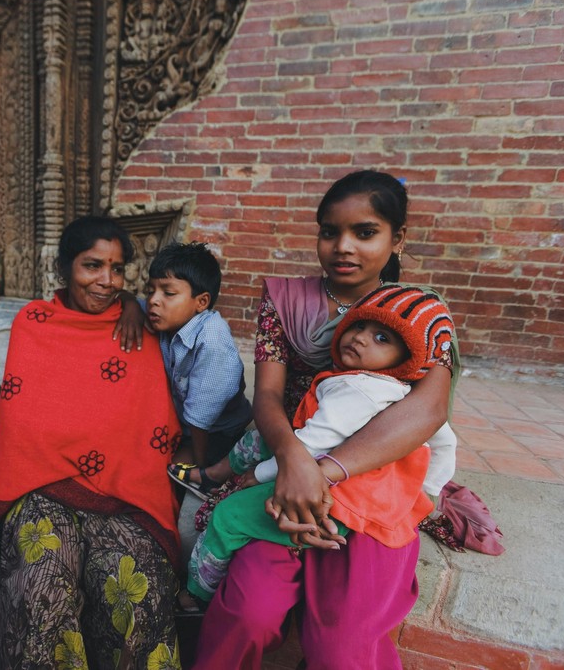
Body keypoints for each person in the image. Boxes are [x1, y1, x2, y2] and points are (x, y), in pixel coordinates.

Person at [192, 170, 460, 670]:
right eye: (329, 231)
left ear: (397, 238)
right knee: (251, 612)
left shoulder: (418, 315)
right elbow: (267, 396)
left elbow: (427, 411)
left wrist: (324, 476)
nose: (343, 246)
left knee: (342, 651)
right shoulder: (285, 301)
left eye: (365, 232)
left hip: (370, 479)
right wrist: (294, 459)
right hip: (287, 465)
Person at [0, 216, 183, 669]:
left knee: (137, 593)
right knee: (41, 589)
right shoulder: (34, 323)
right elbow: (21, 425)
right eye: (92, 266)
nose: (106, 281)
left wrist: (131, 301)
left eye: (117, 270)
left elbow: (150, 424)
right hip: (41, 485)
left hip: (123, 492)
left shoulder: (140, 326)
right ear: (65, 267)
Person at [186, 285, 457, 606]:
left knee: (228, 516)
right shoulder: (399, 391)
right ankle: (216, 473)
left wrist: (258, 476)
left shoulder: (357, 391)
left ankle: (194, 596)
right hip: (329, 472)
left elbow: (310, 445)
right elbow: (445, 441)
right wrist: (425, 493)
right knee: (260, 439)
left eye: (382, 339)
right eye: (359, 326)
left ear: (407, 358)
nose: (361, 338)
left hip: (330, 496)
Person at [141, 242, 252, 499]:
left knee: (164, 472)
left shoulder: (212, 341)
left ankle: (205, 481)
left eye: (168, 293)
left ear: (201, 302)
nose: (153, 301)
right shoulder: (171, 319)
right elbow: (129, 303)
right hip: (185, 424)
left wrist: (201, 467)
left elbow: (202, 415)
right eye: (151, 291)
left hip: (217, 433)